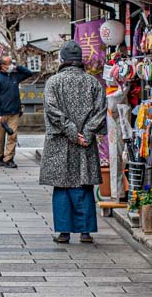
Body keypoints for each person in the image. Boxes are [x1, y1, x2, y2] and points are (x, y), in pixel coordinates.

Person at [39, 41, 107, 243]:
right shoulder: (93, 82)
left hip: (60, 142)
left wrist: (70, 130)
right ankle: (85, 232)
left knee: (62, 186)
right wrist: (86, 133)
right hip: (85, 143)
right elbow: (100, 111)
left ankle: (64, 232)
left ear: (62, 59)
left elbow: (51, 110)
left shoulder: (54, 82)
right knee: (83, 185)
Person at [0, 55, 37, 169]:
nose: (11, 65)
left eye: (12, 63)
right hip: (1, 113)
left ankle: (9, 158)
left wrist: (17, 67)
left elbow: (29, 73)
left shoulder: (15, 76)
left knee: (12, 136)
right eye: (9, 63)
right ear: (2, 66)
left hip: (14, 112)